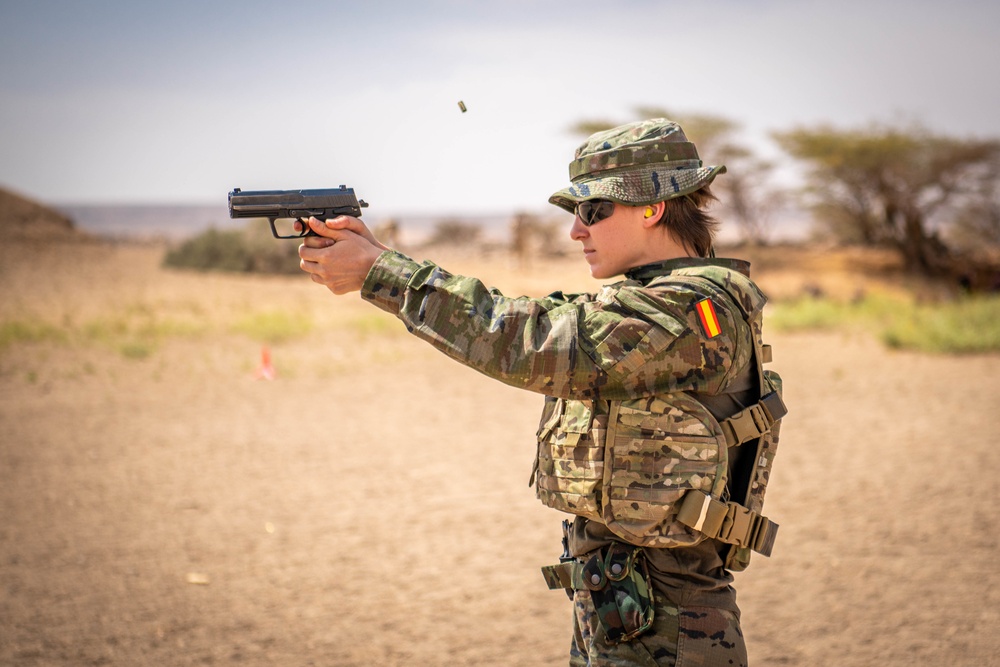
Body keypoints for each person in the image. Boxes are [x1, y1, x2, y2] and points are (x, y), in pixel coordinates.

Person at [297, 118, 786, 667]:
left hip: (670, 626)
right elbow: (527, 317)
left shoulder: (691, 310)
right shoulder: (649, 299)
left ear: (652, 207)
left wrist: (383, 274)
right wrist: (378, 259)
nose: (577, 230)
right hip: (622, 611)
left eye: (594, 211)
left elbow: (531, 341)